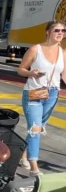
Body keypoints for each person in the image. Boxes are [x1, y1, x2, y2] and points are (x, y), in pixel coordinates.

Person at [17, 20, 66, 175]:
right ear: (48, 32)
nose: (61, 33)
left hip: (52, 94)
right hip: (34, 93)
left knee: (37, 128)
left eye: (63, 31)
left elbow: (64, 74)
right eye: (57, 30)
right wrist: (31, 73)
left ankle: (23, 155)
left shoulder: (63, 52)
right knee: (35, 129)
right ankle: (34, 168)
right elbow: (21, 69)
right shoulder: (35, 49)